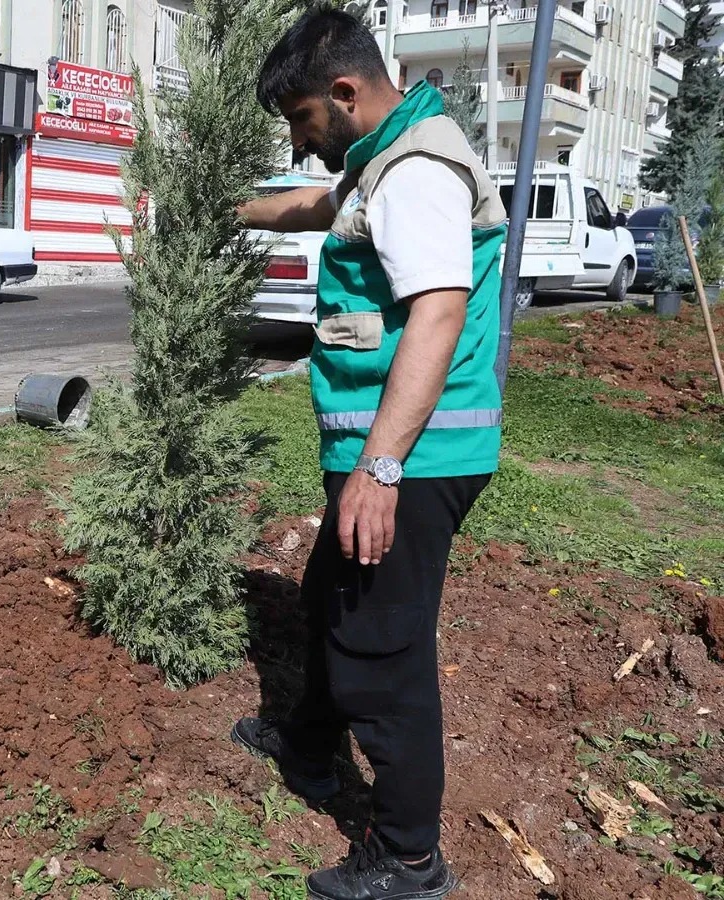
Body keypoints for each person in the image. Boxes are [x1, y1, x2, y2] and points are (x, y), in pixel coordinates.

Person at [230, 9, 505, 899]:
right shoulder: (381, 159)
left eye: (303, 120)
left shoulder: (417, 173)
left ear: (345, 92)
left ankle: (409, 857)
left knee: (382, 649)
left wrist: (380, 470)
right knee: (332, 597)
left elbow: (438, 314)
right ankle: (310, 746)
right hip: (393, 449)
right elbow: (319, 205)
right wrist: (225, 209)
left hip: (416, 457)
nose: (300, 143)